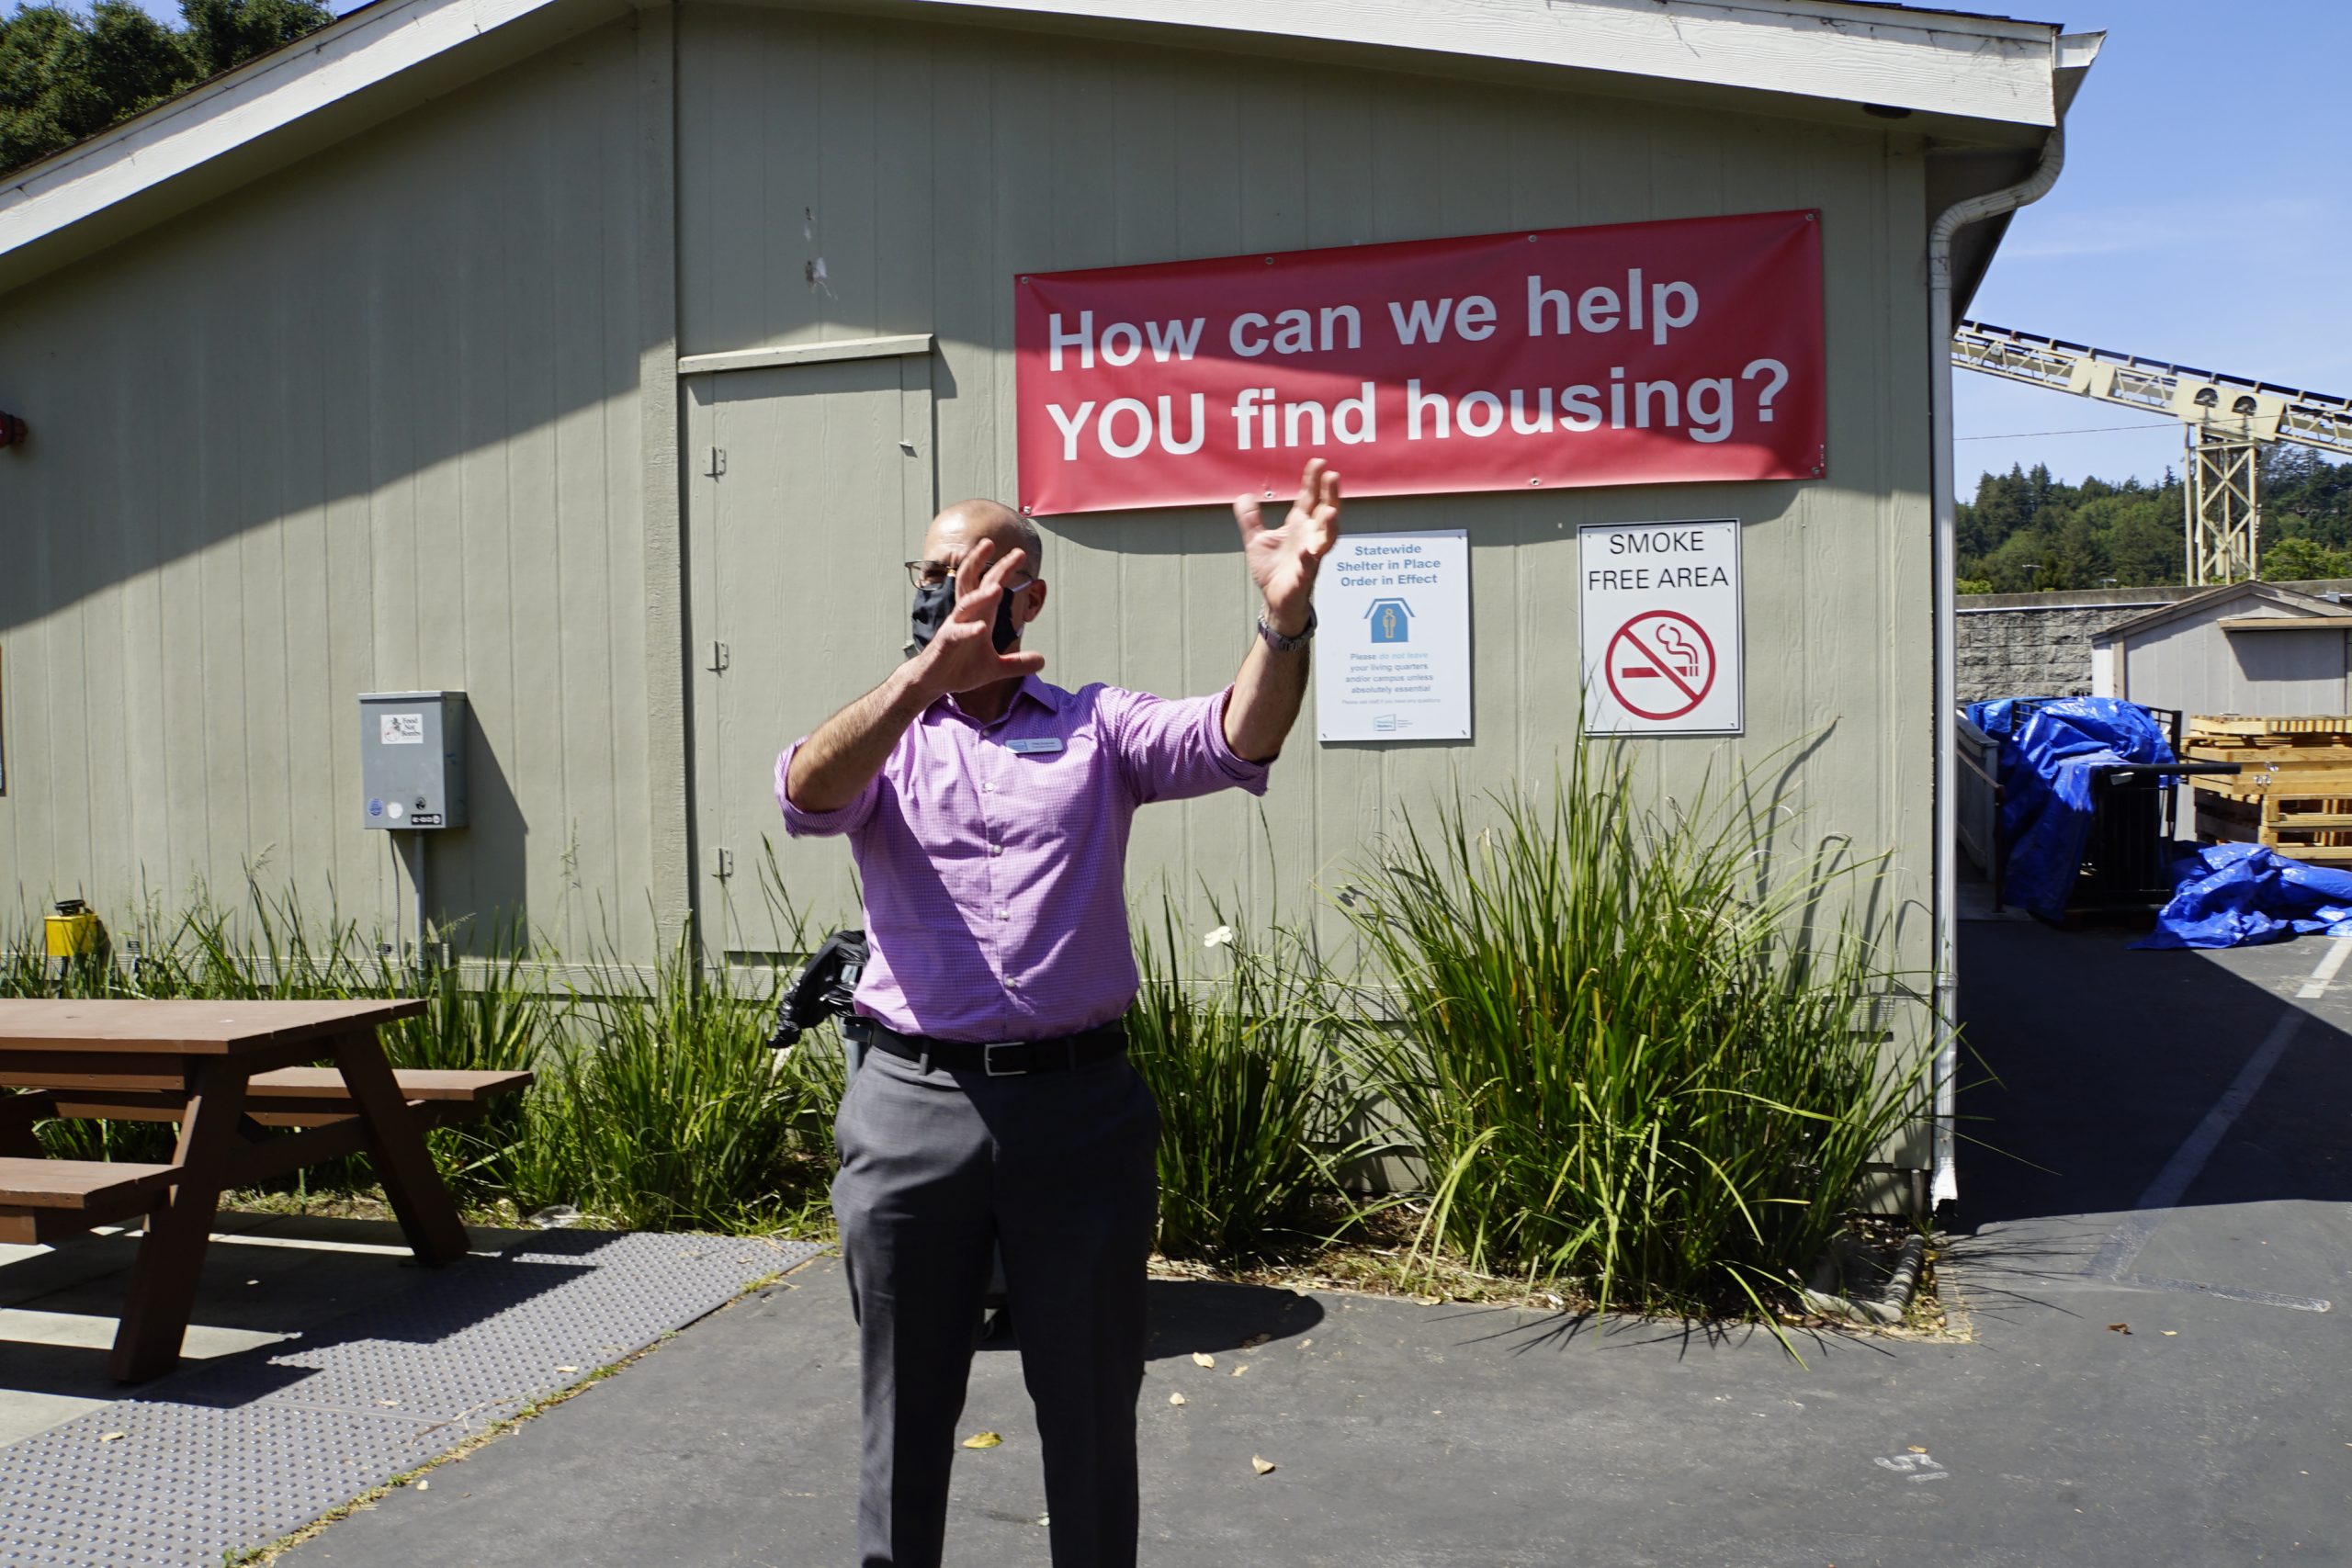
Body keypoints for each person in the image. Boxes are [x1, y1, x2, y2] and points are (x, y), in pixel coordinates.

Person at [775, 457, 1342, 1568]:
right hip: (910, 1106)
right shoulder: (889, 737)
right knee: (905, 1407)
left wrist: (1282, 626)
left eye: (969, 567)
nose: (940, 587)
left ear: (1027, 592)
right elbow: (806, 791)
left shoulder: (1097, 729)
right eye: (928, 569)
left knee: (1089, 1407)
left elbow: (1238, 740)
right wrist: (917, 683)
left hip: (1079, 1115)